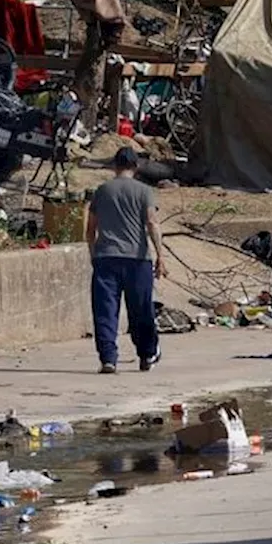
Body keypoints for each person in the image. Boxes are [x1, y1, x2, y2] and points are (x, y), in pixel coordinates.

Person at [85, 147, 167, 374]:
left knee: (105, 311)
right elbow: (152, 223)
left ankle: (108, 359)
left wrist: (94, 255)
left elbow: (90, 229)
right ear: (136, 167)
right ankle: (146, 354)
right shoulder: (144, 191)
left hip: (106, 258)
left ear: (115, 165)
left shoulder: (102, 191)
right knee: (141, 310)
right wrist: (160, 255)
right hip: (137, 260)